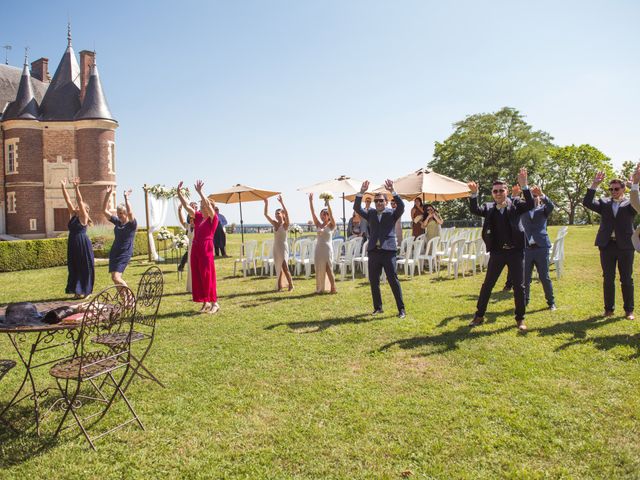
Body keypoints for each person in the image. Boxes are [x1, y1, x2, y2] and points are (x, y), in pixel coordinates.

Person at [468, 168, 534, 331]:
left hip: (515, 252)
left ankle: (520, 319)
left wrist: (524, 186)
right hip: (497, 253)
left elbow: (531, 204)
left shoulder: (516, 204)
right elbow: (474, 210)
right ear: (492, 193)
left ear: (506, 191)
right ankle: (479, 315)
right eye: (495, 191)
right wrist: (474, 194)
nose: (498, 193)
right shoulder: (489, 207)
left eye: (501, 190)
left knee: (519, 286)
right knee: (488, 284)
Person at [583, 171, 638, 319]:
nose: (613, 191)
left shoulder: (631, 204)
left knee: (626, 278)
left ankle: (629, 310)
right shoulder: (604, 203)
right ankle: (609, 309)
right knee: (608, 278)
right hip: (607, 245)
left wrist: (634, 185)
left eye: (616, 189)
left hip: (626, 245)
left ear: (623, 189)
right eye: (611, 189)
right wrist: (594, 184)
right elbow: (587, 202)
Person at [354, 179, 406, 318]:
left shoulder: (391, 213)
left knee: (393, 280)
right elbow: (357, 208)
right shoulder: (370, 213)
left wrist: (393, 191)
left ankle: (401, 309)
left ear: (386, 202)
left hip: (388, 251)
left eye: (381, 201)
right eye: (376, 201)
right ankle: (378, 308)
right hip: (374, 252)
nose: (378, 203)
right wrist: (361, 193)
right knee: (374, 281)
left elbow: (401, 206)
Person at [511, 184, 556, 310]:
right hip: (526, 248)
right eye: (530, 196)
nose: (534, 198)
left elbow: (551, 206)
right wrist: (514, 195)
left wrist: (542, 194)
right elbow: (511, 205)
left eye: (535, 196)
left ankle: (551, 302)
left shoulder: (543, 210)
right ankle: (525, 301)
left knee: (544, 277)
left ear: (539, 198)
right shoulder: (522, 211)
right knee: (525, 278)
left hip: (541, 247)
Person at [177, 180, 220, 314]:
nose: (200, 206)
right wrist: (179, 193)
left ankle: (214, 303)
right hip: (195, 248)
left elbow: (207, 203)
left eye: (203, 205)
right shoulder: (198, 217)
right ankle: (205, 302)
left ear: (209, 207)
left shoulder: (213, 219)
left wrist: (200, 192)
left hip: (206, 249)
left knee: (208, 275)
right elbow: (186, 206)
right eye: (200, 204)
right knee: (198, 275)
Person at [61, 178, 94, 299]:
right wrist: (63, 187)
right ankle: (77, 290)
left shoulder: (83, 217)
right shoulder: (73, 215)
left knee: (84, 266)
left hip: (82, 243)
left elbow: (79, 200)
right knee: (73, 266)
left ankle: (86, 291)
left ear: (84, 210)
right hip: (73, 242)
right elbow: (67, 200)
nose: (76, 206)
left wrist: (76, 187)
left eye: (79, 206)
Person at [102, 186, 137, 287]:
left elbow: (131, 213)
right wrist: (107, 195)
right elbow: (104, 210)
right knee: (114, 278)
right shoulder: (118, 222)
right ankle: (125, 301)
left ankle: (130, 298)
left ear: (125, 214)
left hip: (124, 253)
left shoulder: (131, 224)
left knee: (117, 277)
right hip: (115, 252)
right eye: (117, 213)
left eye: (121, 213)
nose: (118, 215)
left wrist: (126, 198)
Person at [263, 195, 294, 291]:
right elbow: (265, 214)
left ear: (283, 214)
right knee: (278, 267)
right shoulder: (274, 223)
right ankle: (280, 286)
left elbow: (288, 214)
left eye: (278, 213)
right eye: (276, 214)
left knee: (284, 266)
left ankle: (291, 285)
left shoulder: (285, 225)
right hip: (276, 247)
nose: (276, 215)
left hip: (283, 247)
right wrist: (266, 203)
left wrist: (282, 203)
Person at [308, 193, 337, 294]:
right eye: (322, 214)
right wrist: (311, 201)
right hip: (318, 249)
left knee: (328, 268)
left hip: (327, 249)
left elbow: (332, 215)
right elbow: (313, 213)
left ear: (328, 216)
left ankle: (333, 288)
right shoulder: (318, 224)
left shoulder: (332, 225)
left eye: (325, 214)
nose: (323, 215)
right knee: (319, 268)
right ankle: (320, 288)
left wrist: (328, 203)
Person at [178, 202, 198, 293]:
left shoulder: (199, 226)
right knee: (190, 268)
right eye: (190, 219)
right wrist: (179, 210)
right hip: (190, 249)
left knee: (197, 268)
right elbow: (182, 221)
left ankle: (198, 286)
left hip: (198, 248)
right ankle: (191, 288)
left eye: (192, 219)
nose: (191, 220)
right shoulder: (189, 227)